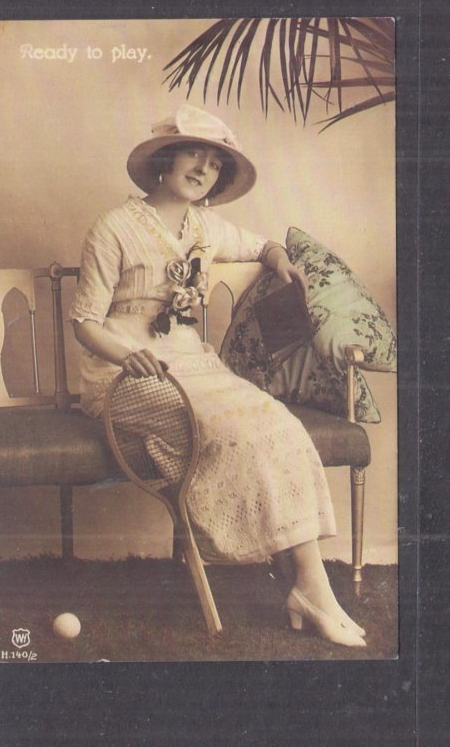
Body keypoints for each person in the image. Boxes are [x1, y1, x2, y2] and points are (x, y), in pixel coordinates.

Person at [70, 103, 366, 647]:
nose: (203, 167)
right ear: (165, 159)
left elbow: (261, 244)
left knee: (278, 425)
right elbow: (85, 322)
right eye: (193, 153)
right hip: (125, 375)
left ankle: (308, 584)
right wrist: (122, 355)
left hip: (197, 364)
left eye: (214, 162)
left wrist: (279, 261)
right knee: (231, 431)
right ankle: (312, 590)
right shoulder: (113, 226)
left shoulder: (207, 227)